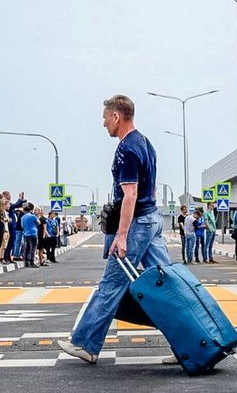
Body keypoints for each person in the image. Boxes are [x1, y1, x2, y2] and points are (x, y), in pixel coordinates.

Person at [59, 94, 170, 364]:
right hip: (152, 218)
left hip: (137, 225)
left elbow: (130, 195)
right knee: (167, 285)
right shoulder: (145, 142)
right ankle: (190, 344)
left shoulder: (126, 149)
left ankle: (85, 344)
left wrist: (122, 235)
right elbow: (150, 188)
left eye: (105, 118)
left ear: (117, 116)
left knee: (110, 284)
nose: (104, 123)